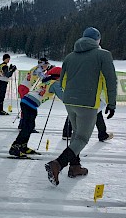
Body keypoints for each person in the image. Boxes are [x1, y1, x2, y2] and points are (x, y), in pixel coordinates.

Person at [45, 27, 117, 186]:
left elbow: (62, 81)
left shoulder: (70, 56)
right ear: (98, 40)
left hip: (69, 101)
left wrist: (70, 95)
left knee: (76, 134)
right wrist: (111, 103)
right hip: (88, 102)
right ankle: (57, 164)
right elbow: (110, 80)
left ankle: (75, 167)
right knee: (82, 138)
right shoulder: (103, 55)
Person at [9, 67, 63, 157]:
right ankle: (15, 147)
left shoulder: (48, 80)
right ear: (59, 76)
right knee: (28, 127)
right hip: (30, 103)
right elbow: (63, 97)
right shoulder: (55, 84)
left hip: (28, 102)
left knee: (30, 126)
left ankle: (23, 146)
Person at [17, 58, 50, 129]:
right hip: (24, 88)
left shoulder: (37, 68)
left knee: (25, 106)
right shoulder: (38, 69)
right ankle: (23, 124)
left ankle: (22, 124)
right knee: (26, 107)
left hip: (24, 87)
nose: (47, 66)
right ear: (42, 64)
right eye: (46, 65)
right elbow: (44, 79)